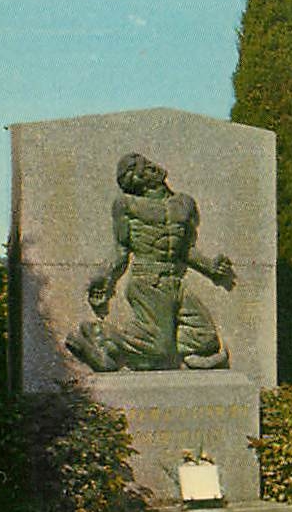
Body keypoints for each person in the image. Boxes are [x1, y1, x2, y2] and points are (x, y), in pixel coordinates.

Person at [65, 152, 235, 372]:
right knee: (159, 350)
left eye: (149, 163)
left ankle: (175, 354)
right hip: (148, 281)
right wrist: (105, 280)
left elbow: (184, 249)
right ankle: (98, 336)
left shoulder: (184, 203)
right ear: (135, 181)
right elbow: (121, 251)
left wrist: (211, 268)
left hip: (175, 282)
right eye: (143, 169)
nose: (153, 168)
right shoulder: (127, 206)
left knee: (205, 339)